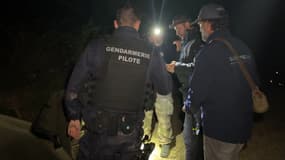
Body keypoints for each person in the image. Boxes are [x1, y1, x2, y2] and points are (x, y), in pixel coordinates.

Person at [64, 3, 172, 160]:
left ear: (116, 24)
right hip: (128, 135)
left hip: (96, 133)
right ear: (138, 23)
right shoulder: (151, 52)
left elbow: (73, 88)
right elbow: (164, 88)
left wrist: (74, 116)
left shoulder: (97, 46)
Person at [186, 3, 259, 160]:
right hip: (242, 128)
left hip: (220, 131)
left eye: (199, 24)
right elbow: (255, 82)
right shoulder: (243, 47)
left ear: (207, 24)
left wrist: (188, 106)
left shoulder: (207, 53)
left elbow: (197, 92)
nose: (199, 29)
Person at [168, 15, 204, 160]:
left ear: (188, 24)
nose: (176, 31)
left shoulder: (199, 41)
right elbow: (187, 62)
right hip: (188, 96)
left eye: (178, 27)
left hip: (198, 99)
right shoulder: (187, 42)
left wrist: (176, 67)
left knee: (196, 138)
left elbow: (198, 70)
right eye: (175, 28)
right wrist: (180, 49)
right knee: (189, 139)